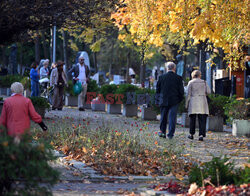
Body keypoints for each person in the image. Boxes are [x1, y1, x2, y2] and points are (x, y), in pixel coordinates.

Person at [156, 62, 184, 139]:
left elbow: (158, 90)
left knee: (163, 117)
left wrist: (157, 101)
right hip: (174, 100)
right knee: (172, 118)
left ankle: (162, 132)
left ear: (167, 68)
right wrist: (180, 99)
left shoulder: (161, 77)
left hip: (163, 99)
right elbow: (181, 91)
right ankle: (171, 134)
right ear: (174, 68)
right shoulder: (178, 78)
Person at [185, 70, 211, 141]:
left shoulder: (191, 82)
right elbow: (208, 91)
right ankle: (201, 135)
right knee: (202, 119)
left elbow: (188, 94)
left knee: (192, 119)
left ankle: (191, 134)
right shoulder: (204, 82)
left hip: (193, 101)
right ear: (200, 75)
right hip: (202, 101)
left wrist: (186, 104)